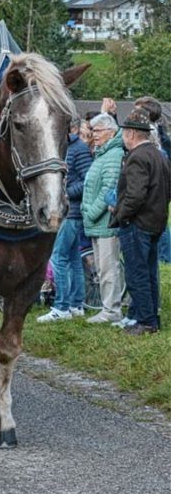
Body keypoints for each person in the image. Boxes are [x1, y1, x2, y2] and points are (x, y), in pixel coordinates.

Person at [109, 109, 171, 335]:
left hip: (137, 223)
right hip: (156, 221)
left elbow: (135, 195)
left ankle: (146, 321)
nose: (123, 136)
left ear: (132, 134)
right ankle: (152, 317)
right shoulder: (158, 155)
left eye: (124, 132)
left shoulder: (136, 157)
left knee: (137, 274)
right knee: (149, 273)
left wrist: (120, 215)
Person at [37, 117, 93, 322]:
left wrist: (65, 194)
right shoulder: (66, 147)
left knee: (58, 257)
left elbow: (87, 179)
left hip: (71, 212)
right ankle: (77, 305)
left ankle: (62, 307)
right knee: (73, 259)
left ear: (73, 128)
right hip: (69, 212)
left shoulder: (79, 149)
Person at [81, 113, 124, 323]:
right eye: (92, 130)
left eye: (97, 131)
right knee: (101, 268)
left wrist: (90, 212)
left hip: (106, 222)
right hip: (96, 223)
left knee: (109, 268)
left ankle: (112, 310)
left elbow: (109, 189)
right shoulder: (101, 154)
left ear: (110, 132)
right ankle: (107, 307)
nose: (93, 135)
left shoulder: (114, 155)